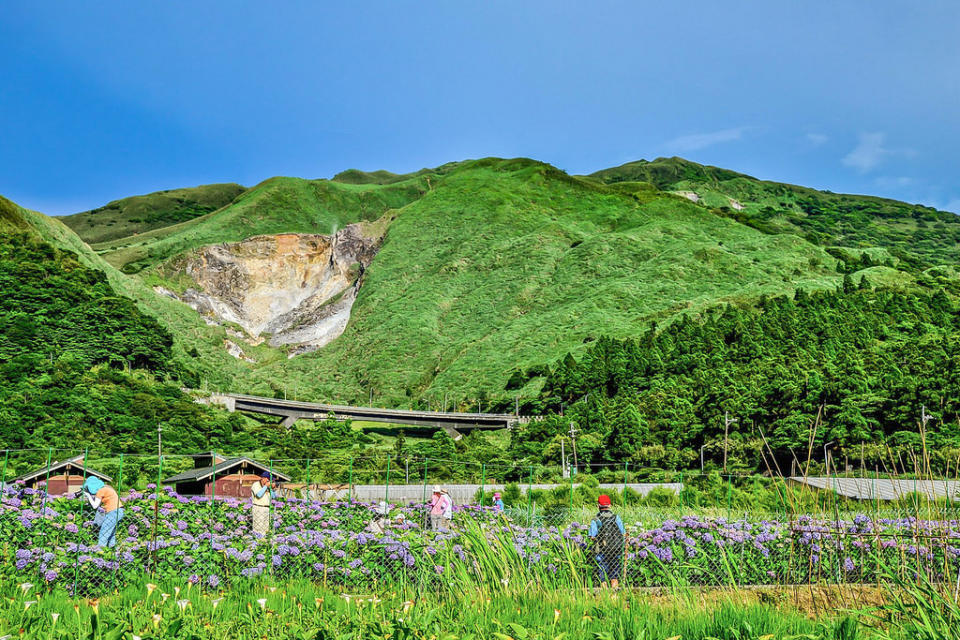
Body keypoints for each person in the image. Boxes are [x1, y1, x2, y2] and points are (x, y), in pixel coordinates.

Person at [588, 494, 625, 589]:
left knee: (602, 572)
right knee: (614, 573)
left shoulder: (596, 519)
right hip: (616, 549)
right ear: (610, 505)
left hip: (602, 550)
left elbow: (592, 536)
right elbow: (623, 533)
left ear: (598, 506)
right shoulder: (616, 518)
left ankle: (604, 594)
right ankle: (615, 594)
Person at [82, 477, 124, 548]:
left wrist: (88, 495)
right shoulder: (106, 488)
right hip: (119, 511)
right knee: (111, 534)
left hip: (113, 512)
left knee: (104, 532)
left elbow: (95, 506)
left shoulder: (100, 491)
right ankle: (112, 550)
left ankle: (100, 552)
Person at [250, 471, 274, 536]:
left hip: (267, 508)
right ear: (264, 478)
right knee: (258, 527)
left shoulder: (267, 487)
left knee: (266, 528)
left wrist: (271, 489)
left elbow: (273, 497)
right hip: (259, 508)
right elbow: (258, 495)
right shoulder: (256, 485)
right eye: (268, 480)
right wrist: (266, 486)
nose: (269, 482)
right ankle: (257, 541)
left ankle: (264, 541)